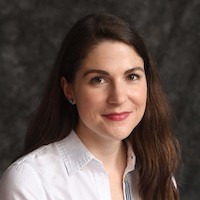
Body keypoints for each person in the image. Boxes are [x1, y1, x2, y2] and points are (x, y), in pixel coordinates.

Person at [0, 14, 180, 200]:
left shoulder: (159, 177)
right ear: (69, 90)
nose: (118, 97)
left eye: (132, 77)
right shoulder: (31, 182)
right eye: (99, 80)